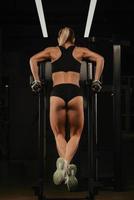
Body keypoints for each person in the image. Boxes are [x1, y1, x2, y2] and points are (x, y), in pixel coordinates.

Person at [29, 27, 104, 191]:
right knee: (76, 134)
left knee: (59, 134)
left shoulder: (52, 51)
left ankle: (63, 165)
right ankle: (68, 165)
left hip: (57, 92)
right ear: (74, 40)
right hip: (75, 92)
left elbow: (33, 59)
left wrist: (36, 80)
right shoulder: (80, 51)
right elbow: (100, 59)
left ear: (58, 39)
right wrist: (96, 80)